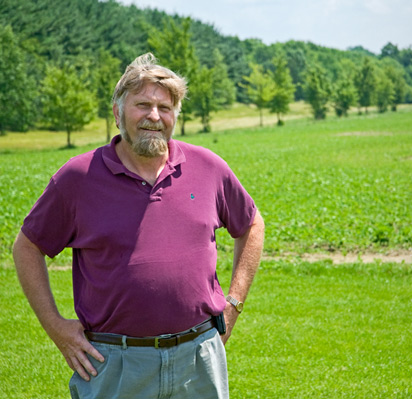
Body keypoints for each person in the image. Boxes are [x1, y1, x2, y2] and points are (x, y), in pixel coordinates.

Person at [12, 53, 265, 399]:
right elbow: (27, 247)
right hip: (115, 363)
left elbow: (251, 225)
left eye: (165, 107)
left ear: (175, 116)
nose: (154, 116)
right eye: (142, 104)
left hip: (198, 359)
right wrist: (55, 326)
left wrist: (232, 304)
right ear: (117, 113)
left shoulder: (208, 167)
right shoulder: (78, 178)